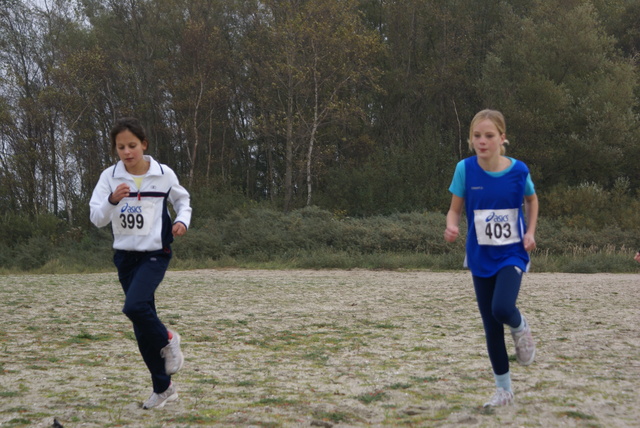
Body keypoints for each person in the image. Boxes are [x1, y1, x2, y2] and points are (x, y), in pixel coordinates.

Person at [90, 117, 192, 409]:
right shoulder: (109, 177)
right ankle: (164, 389)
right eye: (121, 147)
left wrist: (182, 221)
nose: (127, 151)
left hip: (155, 254)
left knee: (134, 308)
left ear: (143, 145)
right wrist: (111, 200)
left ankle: (169, 338)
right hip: (125, 258)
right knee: (141, 327)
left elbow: (182, 201)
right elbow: (96, 218)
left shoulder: (163, 174)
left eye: (132, 145)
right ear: (115, 150)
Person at [443, 109, 538, 408]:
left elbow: (532, 201)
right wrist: (452, 225)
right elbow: (455, 209)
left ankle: (521, 326)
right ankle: (504, 391)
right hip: (480, 255)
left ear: (502, 139)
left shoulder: (519, 170)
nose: (482, 141)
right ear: (471, 139)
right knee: (490, 325)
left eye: (489, 136)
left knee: (502, 308)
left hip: (512, 253)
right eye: (477, 136)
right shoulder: (465, 169)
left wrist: (530, 232)